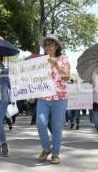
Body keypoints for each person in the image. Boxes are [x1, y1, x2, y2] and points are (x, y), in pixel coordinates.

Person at [36, 35, 70, 164]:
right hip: (43, 98)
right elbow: (34, 80)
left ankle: (55, 154)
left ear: (57, 46)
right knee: (40, 123)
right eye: (46, 45)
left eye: (50, 44)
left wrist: (55, 63)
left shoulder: (63, 59)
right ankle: (46, 148)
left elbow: (67, 77)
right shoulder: (39, 61)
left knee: (56, 127)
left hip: (59, 99)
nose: (47, 47)